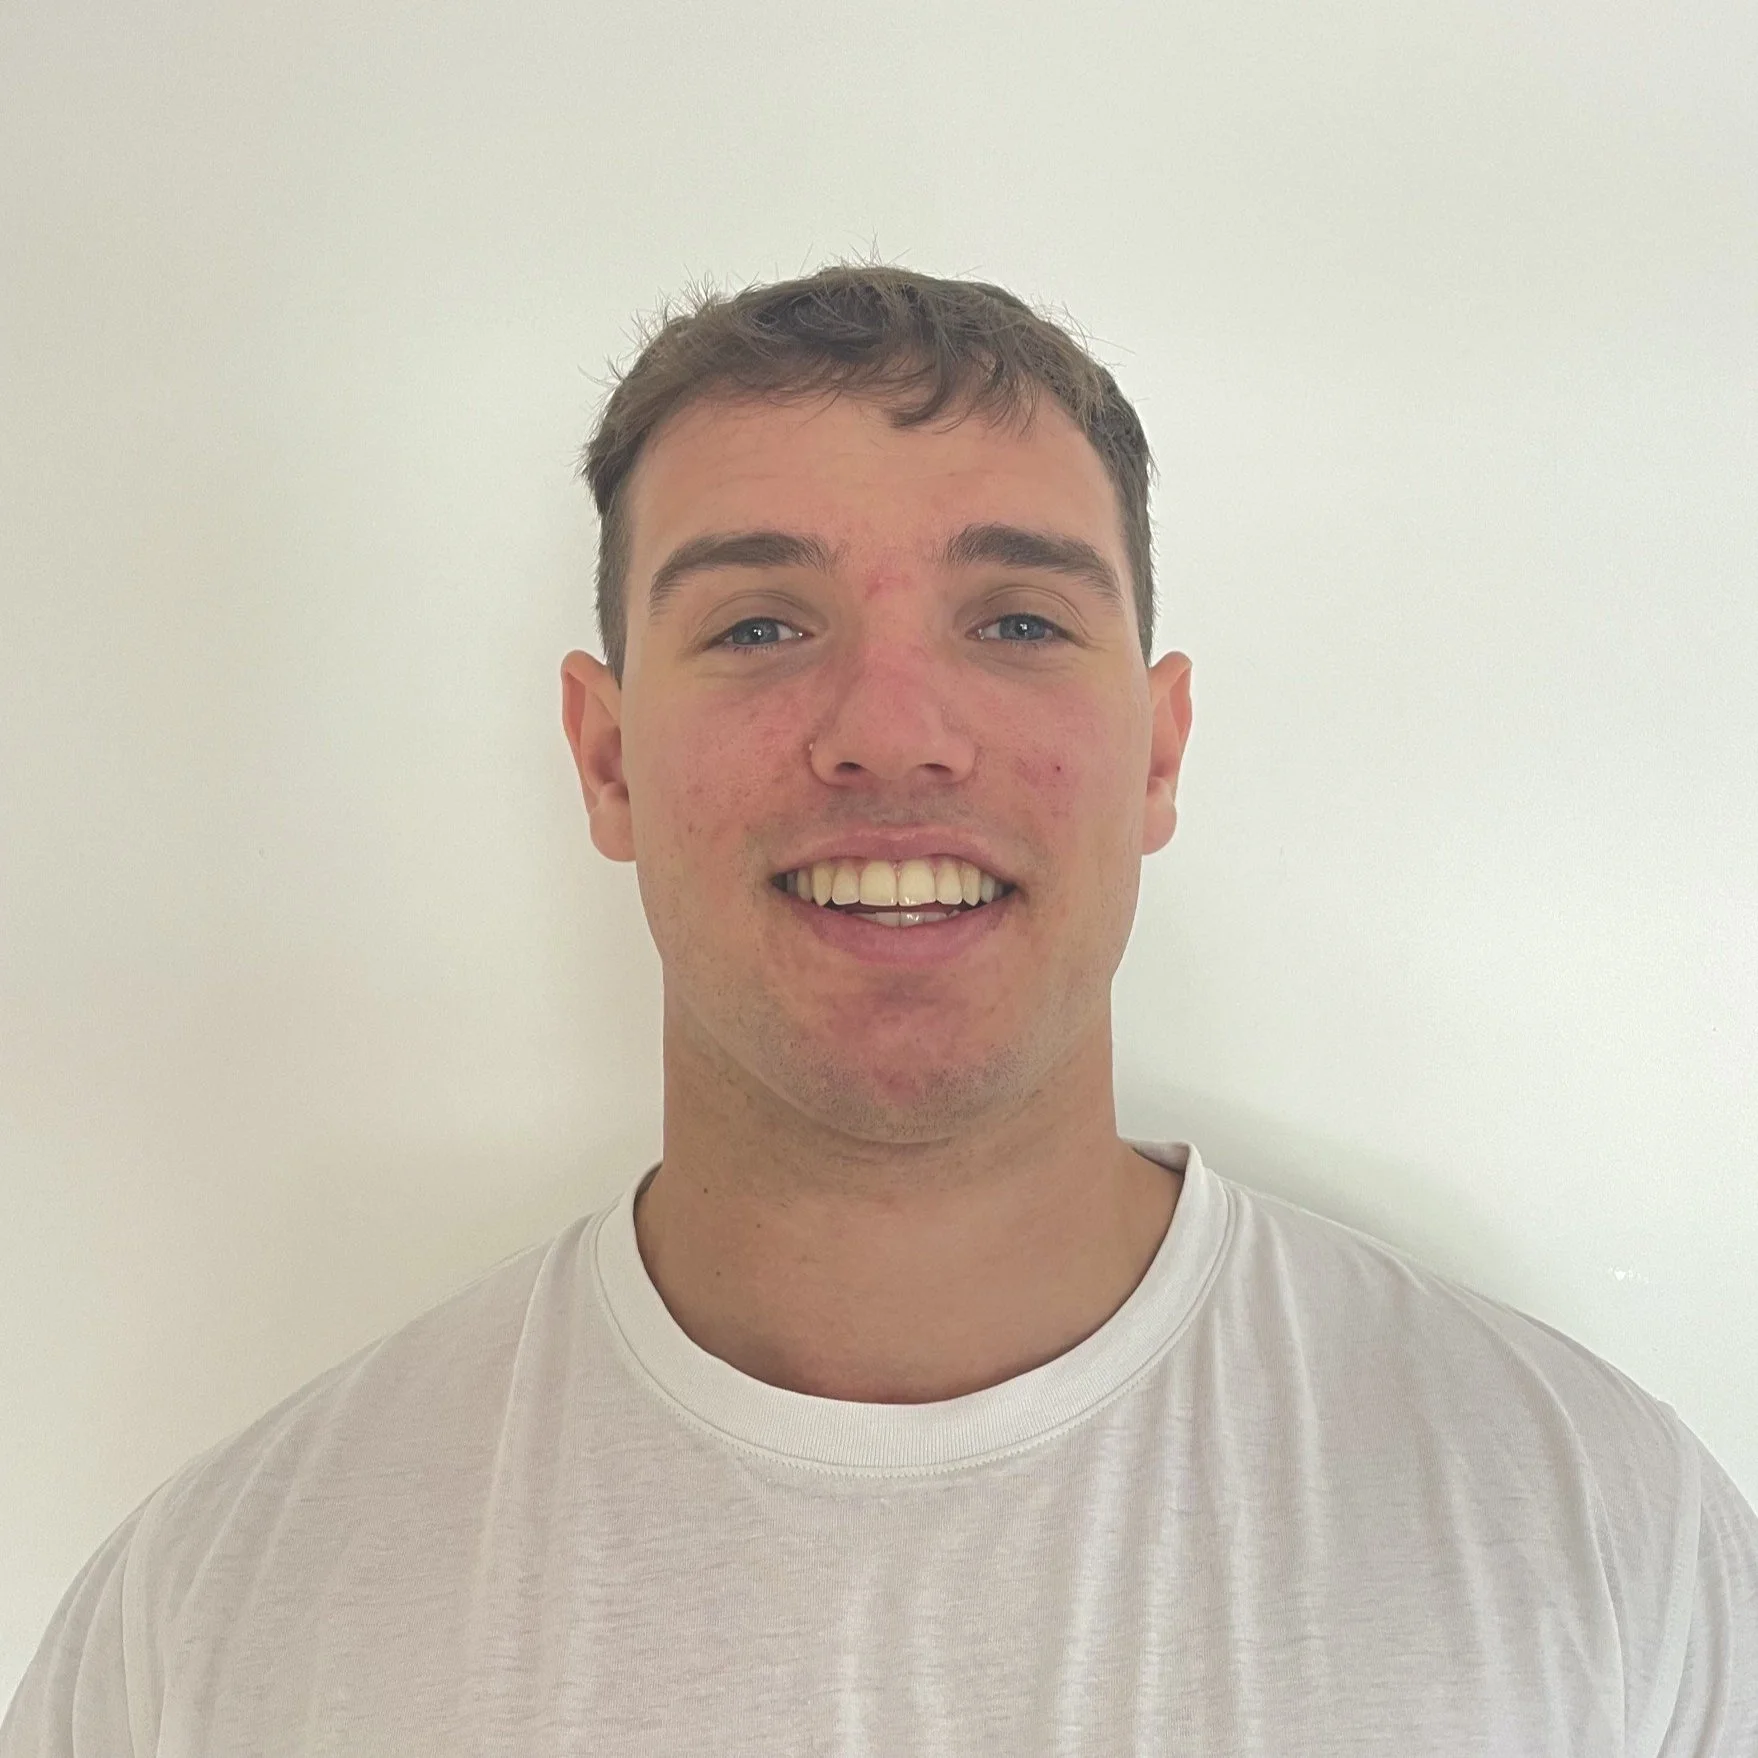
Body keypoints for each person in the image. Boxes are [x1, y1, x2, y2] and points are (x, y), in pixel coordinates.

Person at [4, 264, 1755, 1756]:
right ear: (606, 759)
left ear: (1157, 752)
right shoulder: (209, 1621)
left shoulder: (1599, 1538)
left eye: (1016, 619)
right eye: (762, 626)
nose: (894, 731)